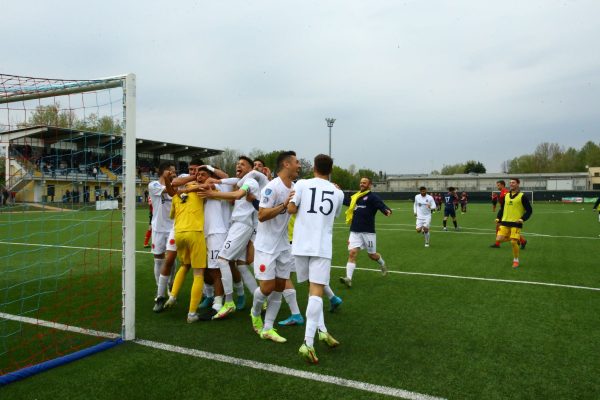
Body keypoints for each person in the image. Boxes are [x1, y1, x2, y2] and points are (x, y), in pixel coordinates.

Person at [288, 154, 345, 364]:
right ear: (331, 170)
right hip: (321, 246)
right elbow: (335, 215)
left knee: (313, 290)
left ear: (314, 167)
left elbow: (291, 208)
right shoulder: (338, 193)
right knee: (317, 292)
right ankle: (308, 343)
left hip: (300, 244)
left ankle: (322, 330)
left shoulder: (301, 183)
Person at [198, 156, 261, 319]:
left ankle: (229, 302)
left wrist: (212, 192)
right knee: (240, 266)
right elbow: (228, 180)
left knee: (222, 260)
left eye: (243, 164)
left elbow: (237, 194)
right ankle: (260, 300)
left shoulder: (251, 182)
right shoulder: (241, 180)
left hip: (242, 225)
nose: (238, 166)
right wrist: (212, 176)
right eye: (237, 164)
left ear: (250, 169)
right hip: (237, 225)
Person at [249, 151, 299, 343]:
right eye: (296, 162)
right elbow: (261, 215)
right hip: (266, 246)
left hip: (284, 245)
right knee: (267, 287)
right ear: (286, 164)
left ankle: (268, 327)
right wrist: (283, 206)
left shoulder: (295, 187)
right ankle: (255, 314)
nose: (299, 166)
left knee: (279, 286)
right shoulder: (272, 187)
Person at [339, 177, 392, 288]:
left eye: (364, 183)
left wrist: (387, 210)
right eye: (361, 182)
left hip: (368, 232)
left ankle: (382, 264)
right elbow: (346, 201)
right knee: (352, 253)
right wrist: (338, 192)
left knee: (372, 255)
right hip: (355, 230)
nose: (362, 184)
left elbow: (381, 205)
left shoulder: (373, 197)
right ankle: (348, 278)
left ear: (369, 185)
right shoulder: (355, 197)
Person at [147, 162, 177, 287]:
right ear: (165, 172)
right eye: (172, 171)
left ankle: (170, 285)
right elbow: (168, 191)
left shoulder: (175, 184)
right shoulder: (153, 185)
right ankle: (160, 288)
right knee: (158, 259)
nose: (174, 174)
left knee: (171, 259)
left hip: (173, 228)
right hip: (158, 228)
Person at [495, 178, 533, 268]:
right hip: (505, 222)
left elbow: (529, 210)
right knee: (499, 239)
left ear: (518, 184)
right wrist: (498, 218)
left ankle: (516, 260)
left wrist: (523, 219)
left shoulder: (522, 196)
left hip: (516, 223)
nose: (511, 184)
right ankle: (518, 239)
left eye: (513, 182)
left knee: (513, 242)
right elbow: (502, 208)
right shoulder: (506, 195)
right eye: (510, 182)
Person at [491, 180, 527, 249]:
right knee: (500, 228)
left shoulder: (506, 192)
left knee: (500, 227)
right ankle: (522, 241)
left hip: (506, 214)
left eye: (498, 185)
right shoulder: (502, 192)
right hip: (503, 212)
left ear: (502, 185)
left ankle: (520, 240)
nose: (497, 186)